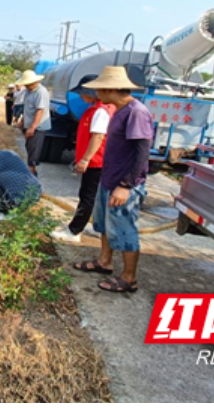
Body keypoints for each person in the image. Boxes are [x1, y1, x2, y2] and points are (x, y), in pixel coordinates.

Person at [72, 66, 153, 294]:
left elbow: (141, 152)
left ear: (110, 89)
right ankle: (104, 261)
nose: (97, 93)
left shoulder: (136, 112)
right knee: (105, 224)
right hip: (109, 179)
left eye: (99, 89)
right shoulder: (119, 110)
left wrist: (125, 185)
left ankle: (129, 278)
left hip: (123, 184)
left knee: (125, 230)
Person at [52, 75, 115, 244]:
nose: (80, 96)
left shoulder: (101, 111)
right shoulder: (100, 108)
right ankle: (86, 225)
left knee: (87, 196)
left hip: (97, 162)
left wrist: (85, 159)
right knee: (91, 196)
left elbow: (98, 137)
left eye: (82, 92)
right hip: (99, 161)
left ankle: (74, 231)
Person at [16, 70, 51, 176]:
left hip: (38, 127)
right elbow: (26, 107)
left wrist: (33, 127)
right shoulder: (28, 91)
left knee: (33, 152)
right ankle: (30, 172)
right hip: (29, 124)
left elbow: (40, 110)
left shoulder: (41, 92)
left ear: (34, 82)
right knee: (29, 148)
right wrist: (22, 120)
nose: (26, 86)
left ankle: (31, 176)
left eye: (28, 84)